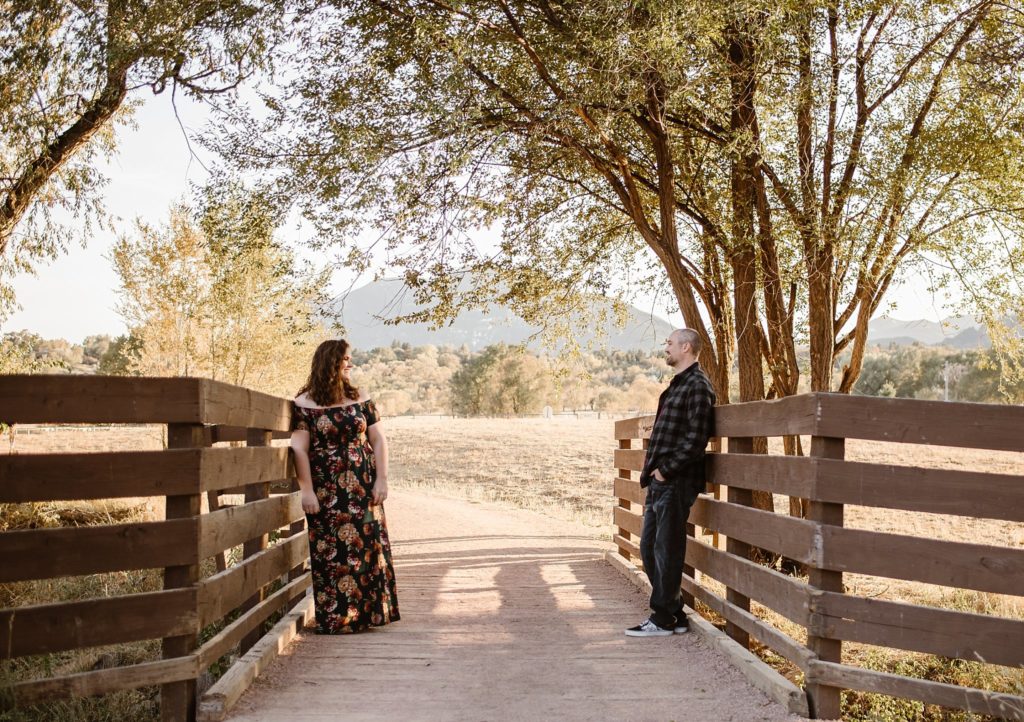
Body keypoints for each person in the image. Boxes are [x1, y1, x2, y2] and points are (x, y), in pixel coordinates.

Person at [290, 339, 400, 633]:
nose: (350, 364)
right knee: (332, 550)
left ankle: (368, 616)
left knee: (365, 545)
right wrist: (307, 490)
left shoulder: (361, 397)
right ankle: (337, 618)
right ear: (330, 362)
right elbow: (299, 449)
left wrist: (382, 479)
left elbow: (378, 440)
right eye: (345, 359)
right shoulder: (304, 403)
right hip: (327, 489)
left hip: (364, 486)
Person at [626, 328, 716, 637]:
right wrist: (654, 473)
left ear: (686, 347)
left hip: (675, 481)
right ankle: (674, 614)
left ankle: (662, 618)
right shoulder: (679, 385)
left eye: (670, 343)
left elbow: (696, 439)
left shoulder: (698, 387)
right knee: (650, 548)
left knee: (666, 548)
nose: (666, 348)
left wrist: (666, 470)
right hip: (659, 481)